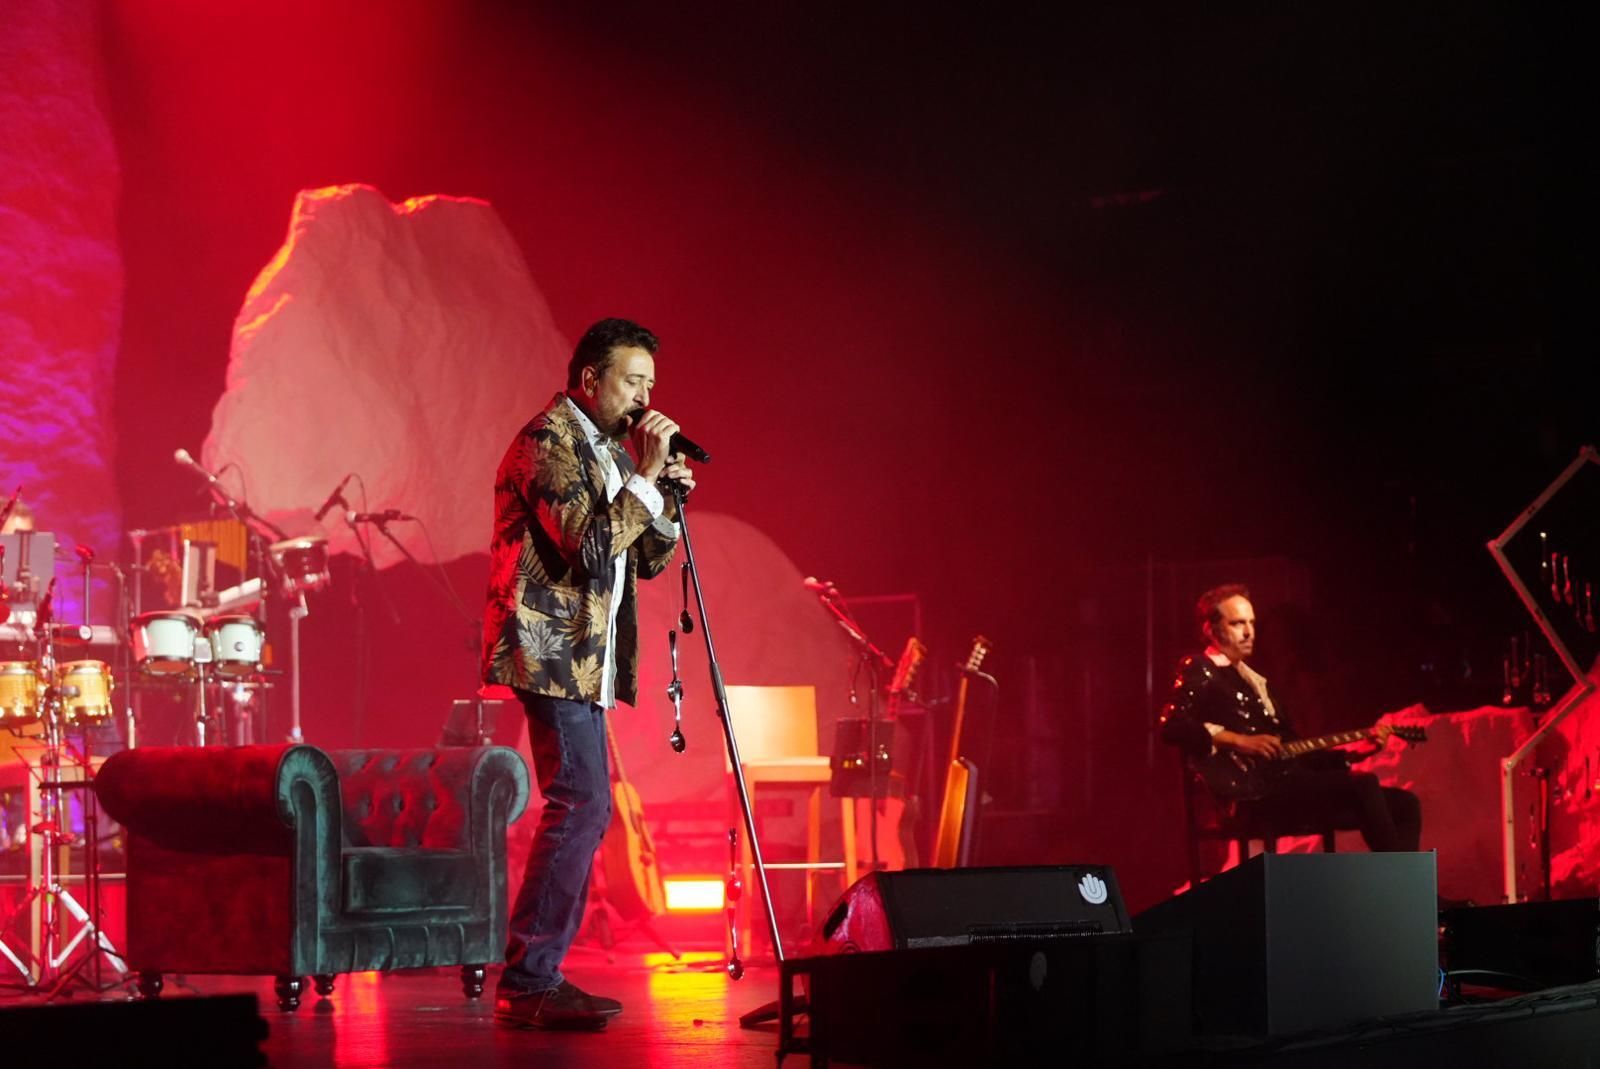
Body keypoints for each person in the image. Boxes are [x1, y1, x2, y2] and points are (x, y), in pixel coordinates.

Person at [481, 317, 693, 1030]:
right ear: (591, 379)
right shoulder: (548, 441)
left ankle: (534, 973)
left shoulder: (605, 450)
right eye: (633, 381)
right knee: (581, 803)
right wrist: (641, 477)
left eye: (651, 385)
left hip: (585, 657)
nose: (644, 397)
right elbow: (595, 549)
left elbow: (648, 557)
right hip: (549, 650)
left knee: (585, 805)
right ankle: (529, 975)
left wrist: (668, 490)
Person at [1159, 584, 1421, 853]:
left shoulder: (1256, 681)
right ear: (1209, 629)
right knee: (1363, 784)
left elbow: (1293, 749)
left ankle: (1412, 891)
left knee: (1405, 804)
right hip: (1252, 793)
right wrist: (1239, 741)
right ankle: (1401, 889)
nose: (1249, 631)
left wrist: (1347, 756)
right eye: (1237, 623)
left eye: (1251, 622)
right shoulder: (1201, 668)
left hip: (1286, 784)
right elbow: (1173, 724)